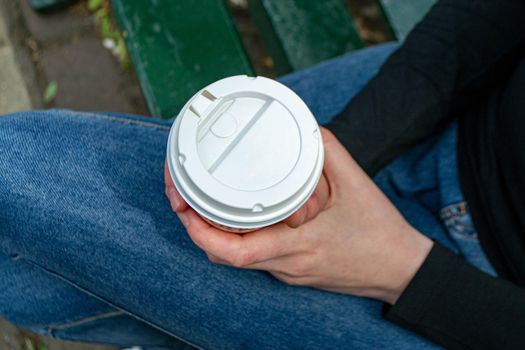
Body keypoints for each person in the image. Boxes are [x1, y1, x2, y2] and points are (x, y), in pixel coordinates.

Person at [1, 0, 525, 348]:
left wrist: (402, 271)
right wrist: (316, 171)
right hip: (442, 108)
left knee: (17, 174)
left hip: (469, 304)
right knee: (27, 266)